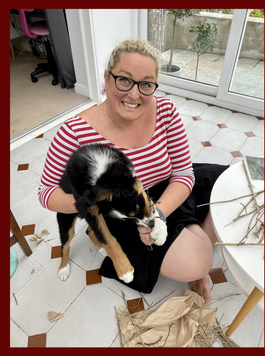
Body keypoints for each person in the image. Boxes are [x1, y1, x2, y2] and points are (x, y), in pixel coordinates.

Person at [38, 39, 227, 302]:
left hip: (164, 192)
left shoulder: (166, 111)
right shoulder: (73, 133)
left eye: (146, 84)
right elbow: (46, 193)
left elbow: (183, 173)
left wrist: (157, 215)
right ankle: (194, 246)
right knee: (198, 262)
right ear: (106, 78)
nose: (135, 94)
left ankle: (189, 233)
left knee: (232, 183)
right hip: (122, 213)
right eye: (124, 80)